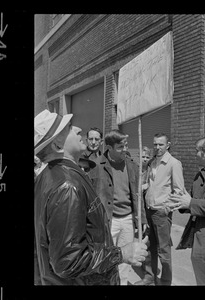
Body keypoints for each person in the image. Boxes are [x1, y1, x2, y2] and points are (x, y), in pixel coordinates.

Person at [34, 110, 148, 285]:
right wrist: (122, 253)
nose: (79, 129)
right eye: (69, 128)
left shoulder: (55, 176)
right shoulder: (66, 187)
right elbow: (68, 262)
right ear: (57, 144)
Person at [89, 129, 148, 285]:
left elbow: (137, 194)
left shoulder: (132, 164)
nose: (125, 150)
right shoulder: (95, 166)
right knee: (106, 258)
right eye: (120, 147)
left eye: (126, 145)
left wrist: (141, 217)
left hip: (128, 219)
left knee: (125, 261)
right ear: (109, 148)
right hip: (109, 220)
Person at [137, 133, 185, 286]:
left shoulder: (173, 163)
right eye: (155, 144)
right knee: (149, 247)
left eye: (160, 144)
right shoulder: (152, 162)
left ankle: (165, 281)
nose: (157, 147)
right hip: (149, 210)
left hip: (161, 213)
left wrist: (166, 208)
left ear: (168, 145)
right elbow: (152, 184)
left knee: (164, 250)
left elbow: (179, 191)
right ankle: (150, 276)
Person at [170, 136, 205, 285]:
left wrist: (190, 202)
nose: (195, 154)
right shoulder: (199, 175)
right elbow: (191, 202)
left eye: (197, 151)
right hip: (198, 246)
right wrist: (179, 202)